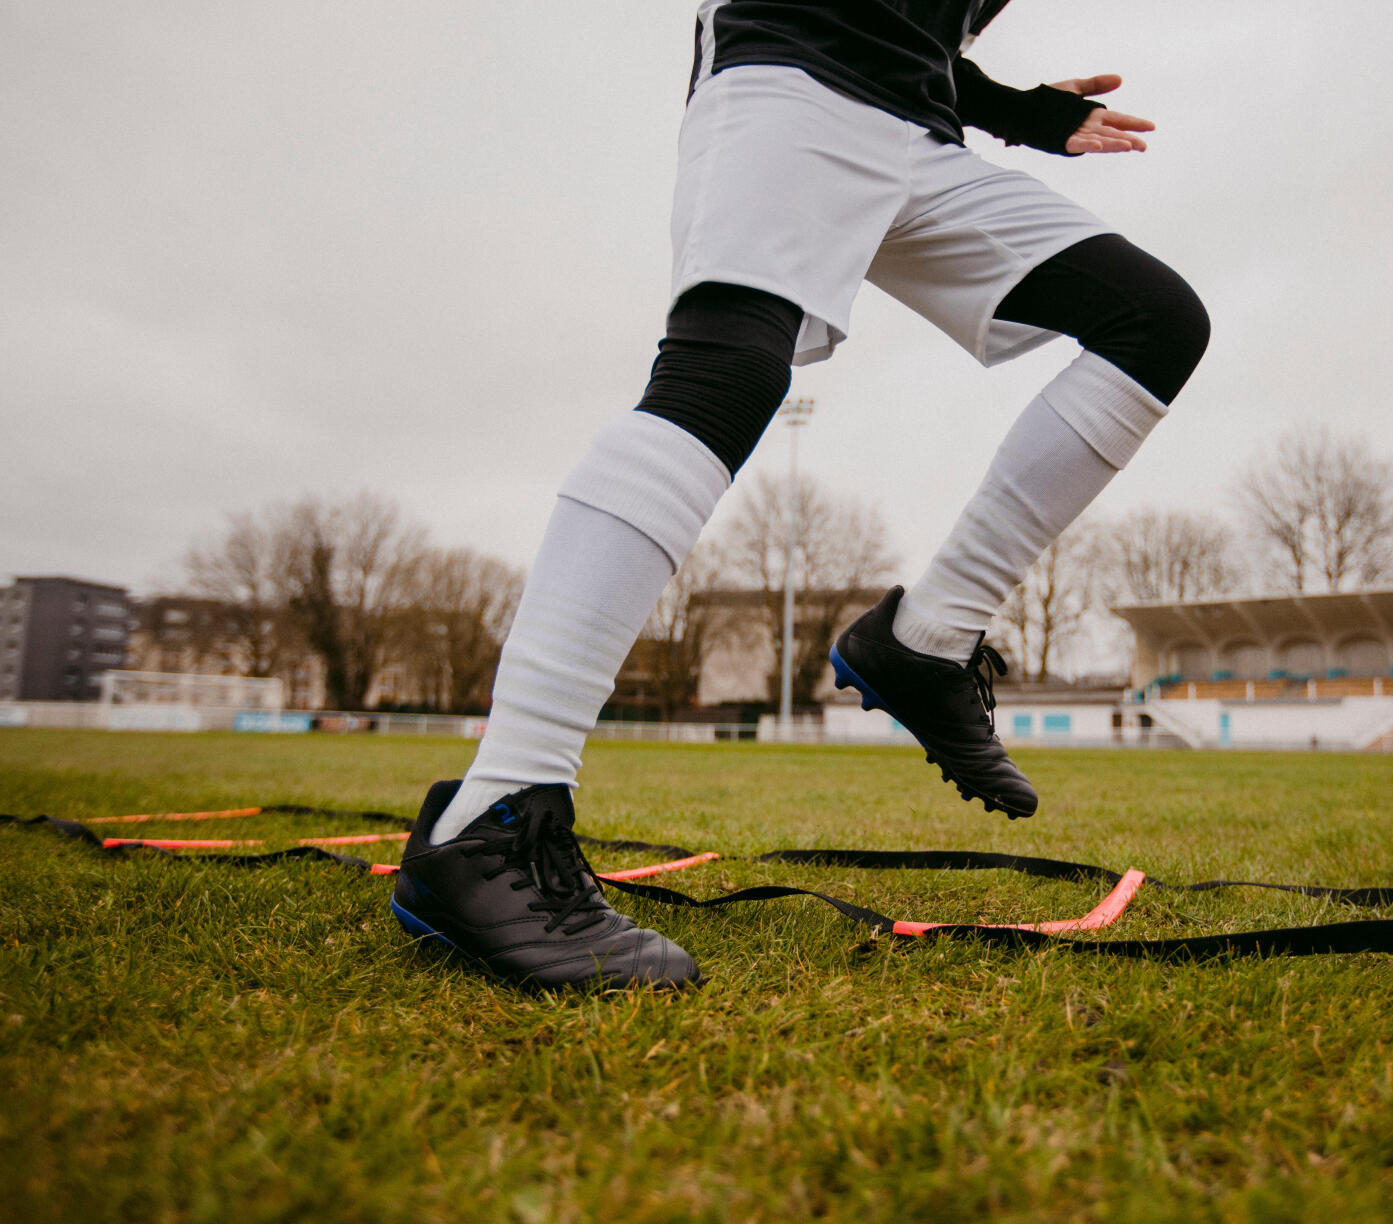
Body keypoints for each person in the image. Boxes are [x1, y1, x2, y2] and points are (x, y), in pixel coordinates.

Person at [389, 1, 1210, 990]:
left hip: (917, 129)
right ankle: (499, 811)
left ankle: (929, 638)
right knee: (727, 372)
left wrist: (1021, 114)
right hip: (792, 71)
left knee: (1157, 322)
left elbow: (911, 27)